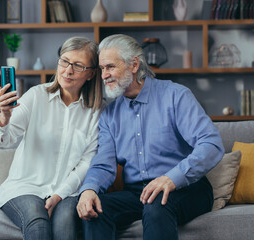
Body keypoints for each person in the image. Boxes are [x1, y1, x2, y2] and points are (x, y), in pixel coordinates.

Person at [76, 34, 224, 240]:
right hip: (138, 193)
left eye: (110, 67)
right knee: (95, 210)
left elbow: (211, 144)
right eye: (101, 69)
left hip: (186, 188)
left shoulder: (175, 96)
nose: (104, 75)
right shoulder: (109, 115)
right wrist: (89, 189)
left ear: (134, 64)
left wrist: (171, 179)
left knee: (157, 205)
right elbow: (103, 164)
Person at [0, 36, 103, 240]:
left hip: (68, 190)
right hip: (25, 187)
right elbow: (0, 139)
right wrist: (4, 116)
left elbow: (88, 162)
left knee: (65, 224)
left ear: (91, 73)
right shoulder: (36, 96)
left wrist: (59, 194)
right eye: (64, 61)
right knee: (38, 222)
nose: (68, 70)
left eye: (78, 65)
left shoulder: (96, 111)